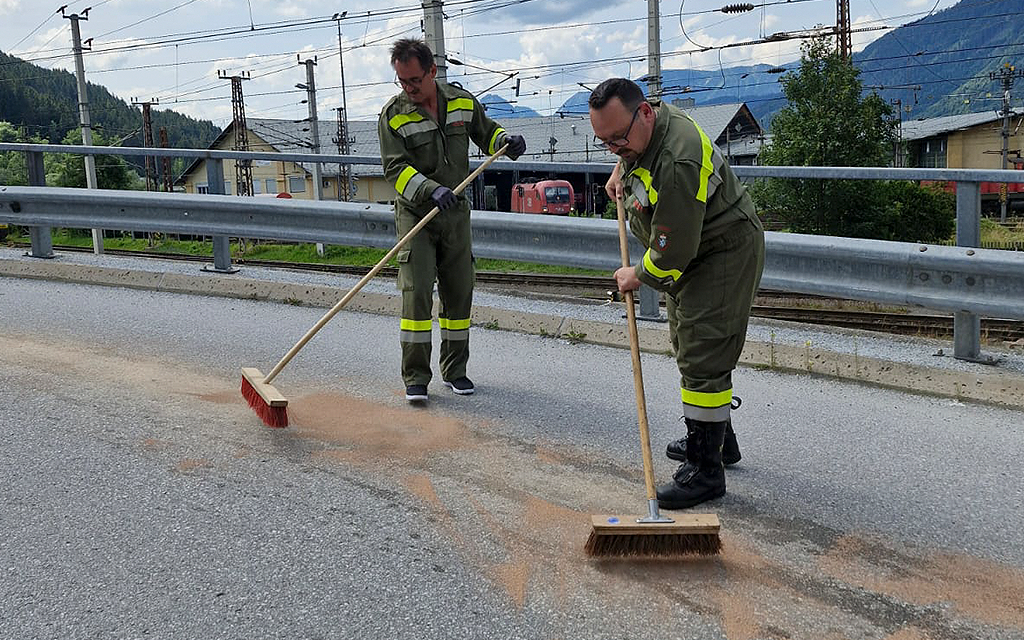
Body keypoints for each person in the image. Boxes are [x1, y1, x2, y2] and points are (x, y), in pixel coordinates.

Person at [588, 78, 764, 510]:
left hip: (718, 251)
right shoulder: (645, 133)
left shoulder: (679, 157)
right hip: (696, 250)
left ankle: (705, 472)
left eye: (619, 139)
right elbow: (637, 159)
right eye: (605, 142)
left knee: (703, 351)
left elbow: (673, 250)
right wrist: (620, 169)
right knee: (692, 345)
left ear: (644, 112)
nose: (615, 147)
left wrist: (635, 275)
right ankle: (718, 441)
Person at [378, 38, 526, 403]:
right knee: (417, 299)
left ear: (432, 71)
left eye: (414, 80)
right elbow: (394, 169)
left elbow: (486, 132)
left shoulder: (461, 101)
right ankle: (415, 377)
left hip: (455, 214)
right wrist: (428, 189)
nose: (408, 88)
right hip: (418, 216)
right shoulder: (393, 115)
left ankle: (455, 371)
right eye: (402, 81)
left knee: (459, 294)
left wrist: (505, 142)